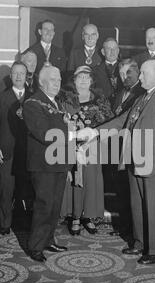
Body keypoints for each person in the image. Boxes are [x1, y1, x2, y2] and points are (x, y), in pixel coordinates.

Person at [80, 60, 155, 264]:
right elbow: (121, 121)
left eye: (143, 74)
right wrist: (95, 132)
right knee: (138, 205)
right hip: (135, 161)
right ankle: (140, 243)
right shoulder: (141, 98)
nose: (139, 78)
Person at [22, 65, 71, 262]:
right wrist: (72, 133)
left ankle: (48, 239)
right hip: (42, 165)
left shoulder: (55, 102)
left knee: (55, 205)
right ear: (41, 82)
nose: (57, 83)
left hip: (57, 162)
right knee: (44, 205)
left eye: (59, 80)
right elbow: (44, 133)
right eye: (53, 80)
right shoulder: (32, 103)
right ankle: (35, 246)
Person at [59, 65, 114, 235]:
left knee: (90, 181)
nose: (83, 80)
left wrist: (94, 135)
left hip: (93, 148)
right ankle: (75, 216)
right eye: (79, 77)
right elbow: (59, 123)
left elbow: (109, 122)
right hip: (71, 146)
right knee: (75, 180)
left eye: (86, 77)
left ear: (91, 80)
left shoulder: (100, 99)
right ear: (74, 80)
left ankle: (88, 216)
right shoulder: (65, 100)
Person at [0, 61, 32, 235]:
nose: (19, 76)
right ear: (10, 76)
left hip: (28, 152)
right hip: (7, 152)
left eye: (22, 73)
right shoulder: (0, 98)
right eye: (15, 73)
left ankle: (24, 223)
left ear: (27, 75)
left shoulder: (34, 97)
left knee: (26, 189)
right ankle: (5, 223)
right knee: (7, 189)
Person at [108, 58, 145, 239]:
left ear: (137, 72)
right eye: (121, 74)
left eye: (127, 73)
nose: (124, 77)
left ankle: (132, 229)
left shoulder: (142, 92)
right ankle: (123, 226)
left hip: (131, 147)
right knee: (120, 188)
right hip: (117, 146)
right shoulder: (120, 91)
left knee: (131, 190)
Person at [93, 37, 123, 104]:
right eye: (109, 48)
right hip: (101, 107)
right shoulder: (95, 71)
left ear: (118, 51)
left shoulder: (125, 68)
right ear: (103, 52)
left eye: (114, 48)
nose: (112, 51)